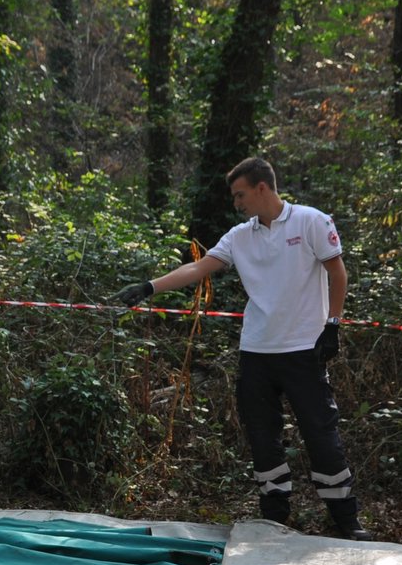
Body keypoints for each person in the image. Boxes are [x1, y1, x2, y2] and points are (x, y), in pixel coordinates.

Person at [115, 157, 370, 540]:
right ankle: (274, 518)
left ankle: (345, 520)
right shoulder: (240, 236)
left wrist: (333, 325)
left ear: (262, 188)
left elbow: (337, 272)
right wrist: (149, 287)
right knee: (262, 436)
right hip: (256, 352)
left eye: (240, 194)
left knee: (320, 433)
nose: (236, 203)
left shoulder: (311, 221)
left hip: (304, 350)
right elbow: (198, 269)